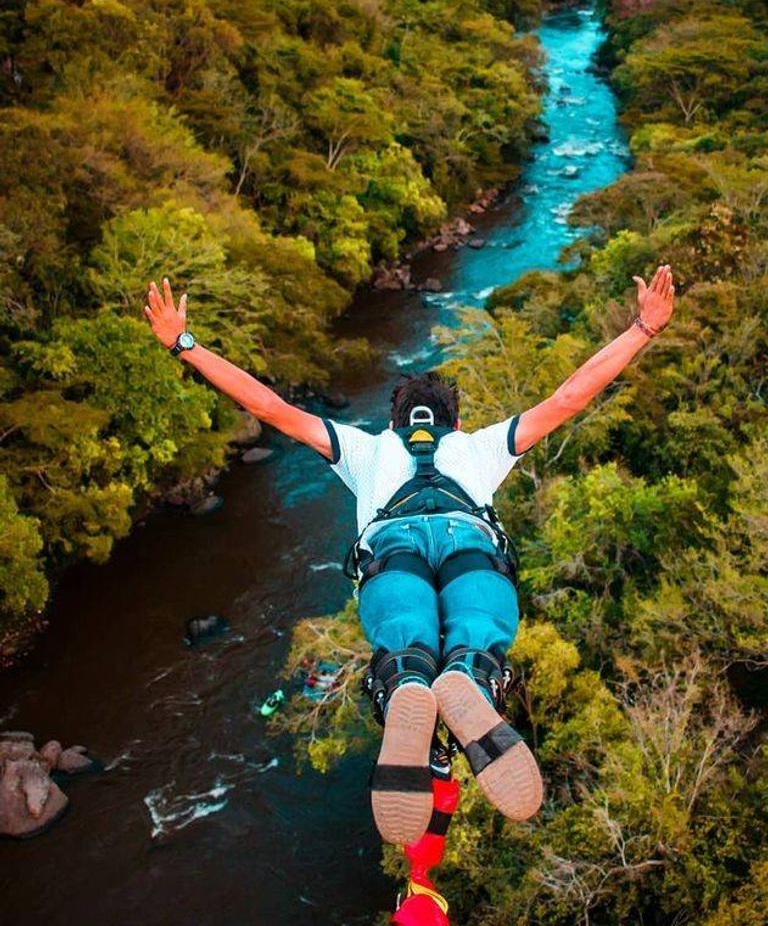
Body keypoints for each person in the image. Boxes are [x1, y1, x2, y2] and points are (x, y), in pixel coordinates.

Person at [143, 265, 676, 845]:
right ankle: (469, 674)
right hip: (469, 540)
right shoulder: (480, 446)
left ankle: (406, 680)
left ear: (393, 422)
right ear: (455, 423)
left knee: (404, 634)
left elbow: (271, 409)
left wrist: (182, 343)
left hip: (391, 546)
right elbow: (570, 397)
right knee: (477, 626)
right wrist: (643, 329)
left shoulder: (365, 449)